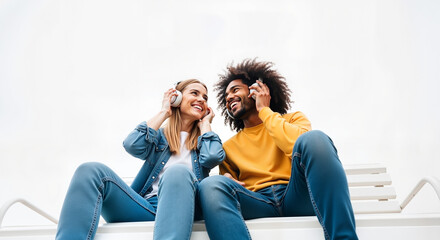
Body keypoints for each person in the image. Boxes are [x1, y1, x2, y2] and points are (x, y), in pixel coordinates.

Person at [198, 59, 358, 240]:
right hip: (257, 202)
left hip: (298, 195)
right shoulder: (228, 147)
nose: (228, 97)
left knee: (315, 138)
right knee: (210, 185)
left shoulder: (292, 119)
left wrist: (264, 110)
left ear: (257, 89)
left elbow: (297, 145)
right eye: (226, 95)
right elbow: (227, 193)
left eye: (235, 90)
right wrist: (225, 180)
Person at [56, 79, 225, 240]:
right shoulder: (159, 136)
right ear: (177, 98)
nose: (201, 99)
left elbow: (212, 157)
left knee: (178, 172)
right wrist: (165, 111)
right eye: (194, 93)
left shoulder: (205, 140)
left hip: (183, 210)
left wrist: (205, 126)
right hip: (145, 207)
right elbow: (132, 144)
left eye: (205, 97)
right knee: (89, 170)